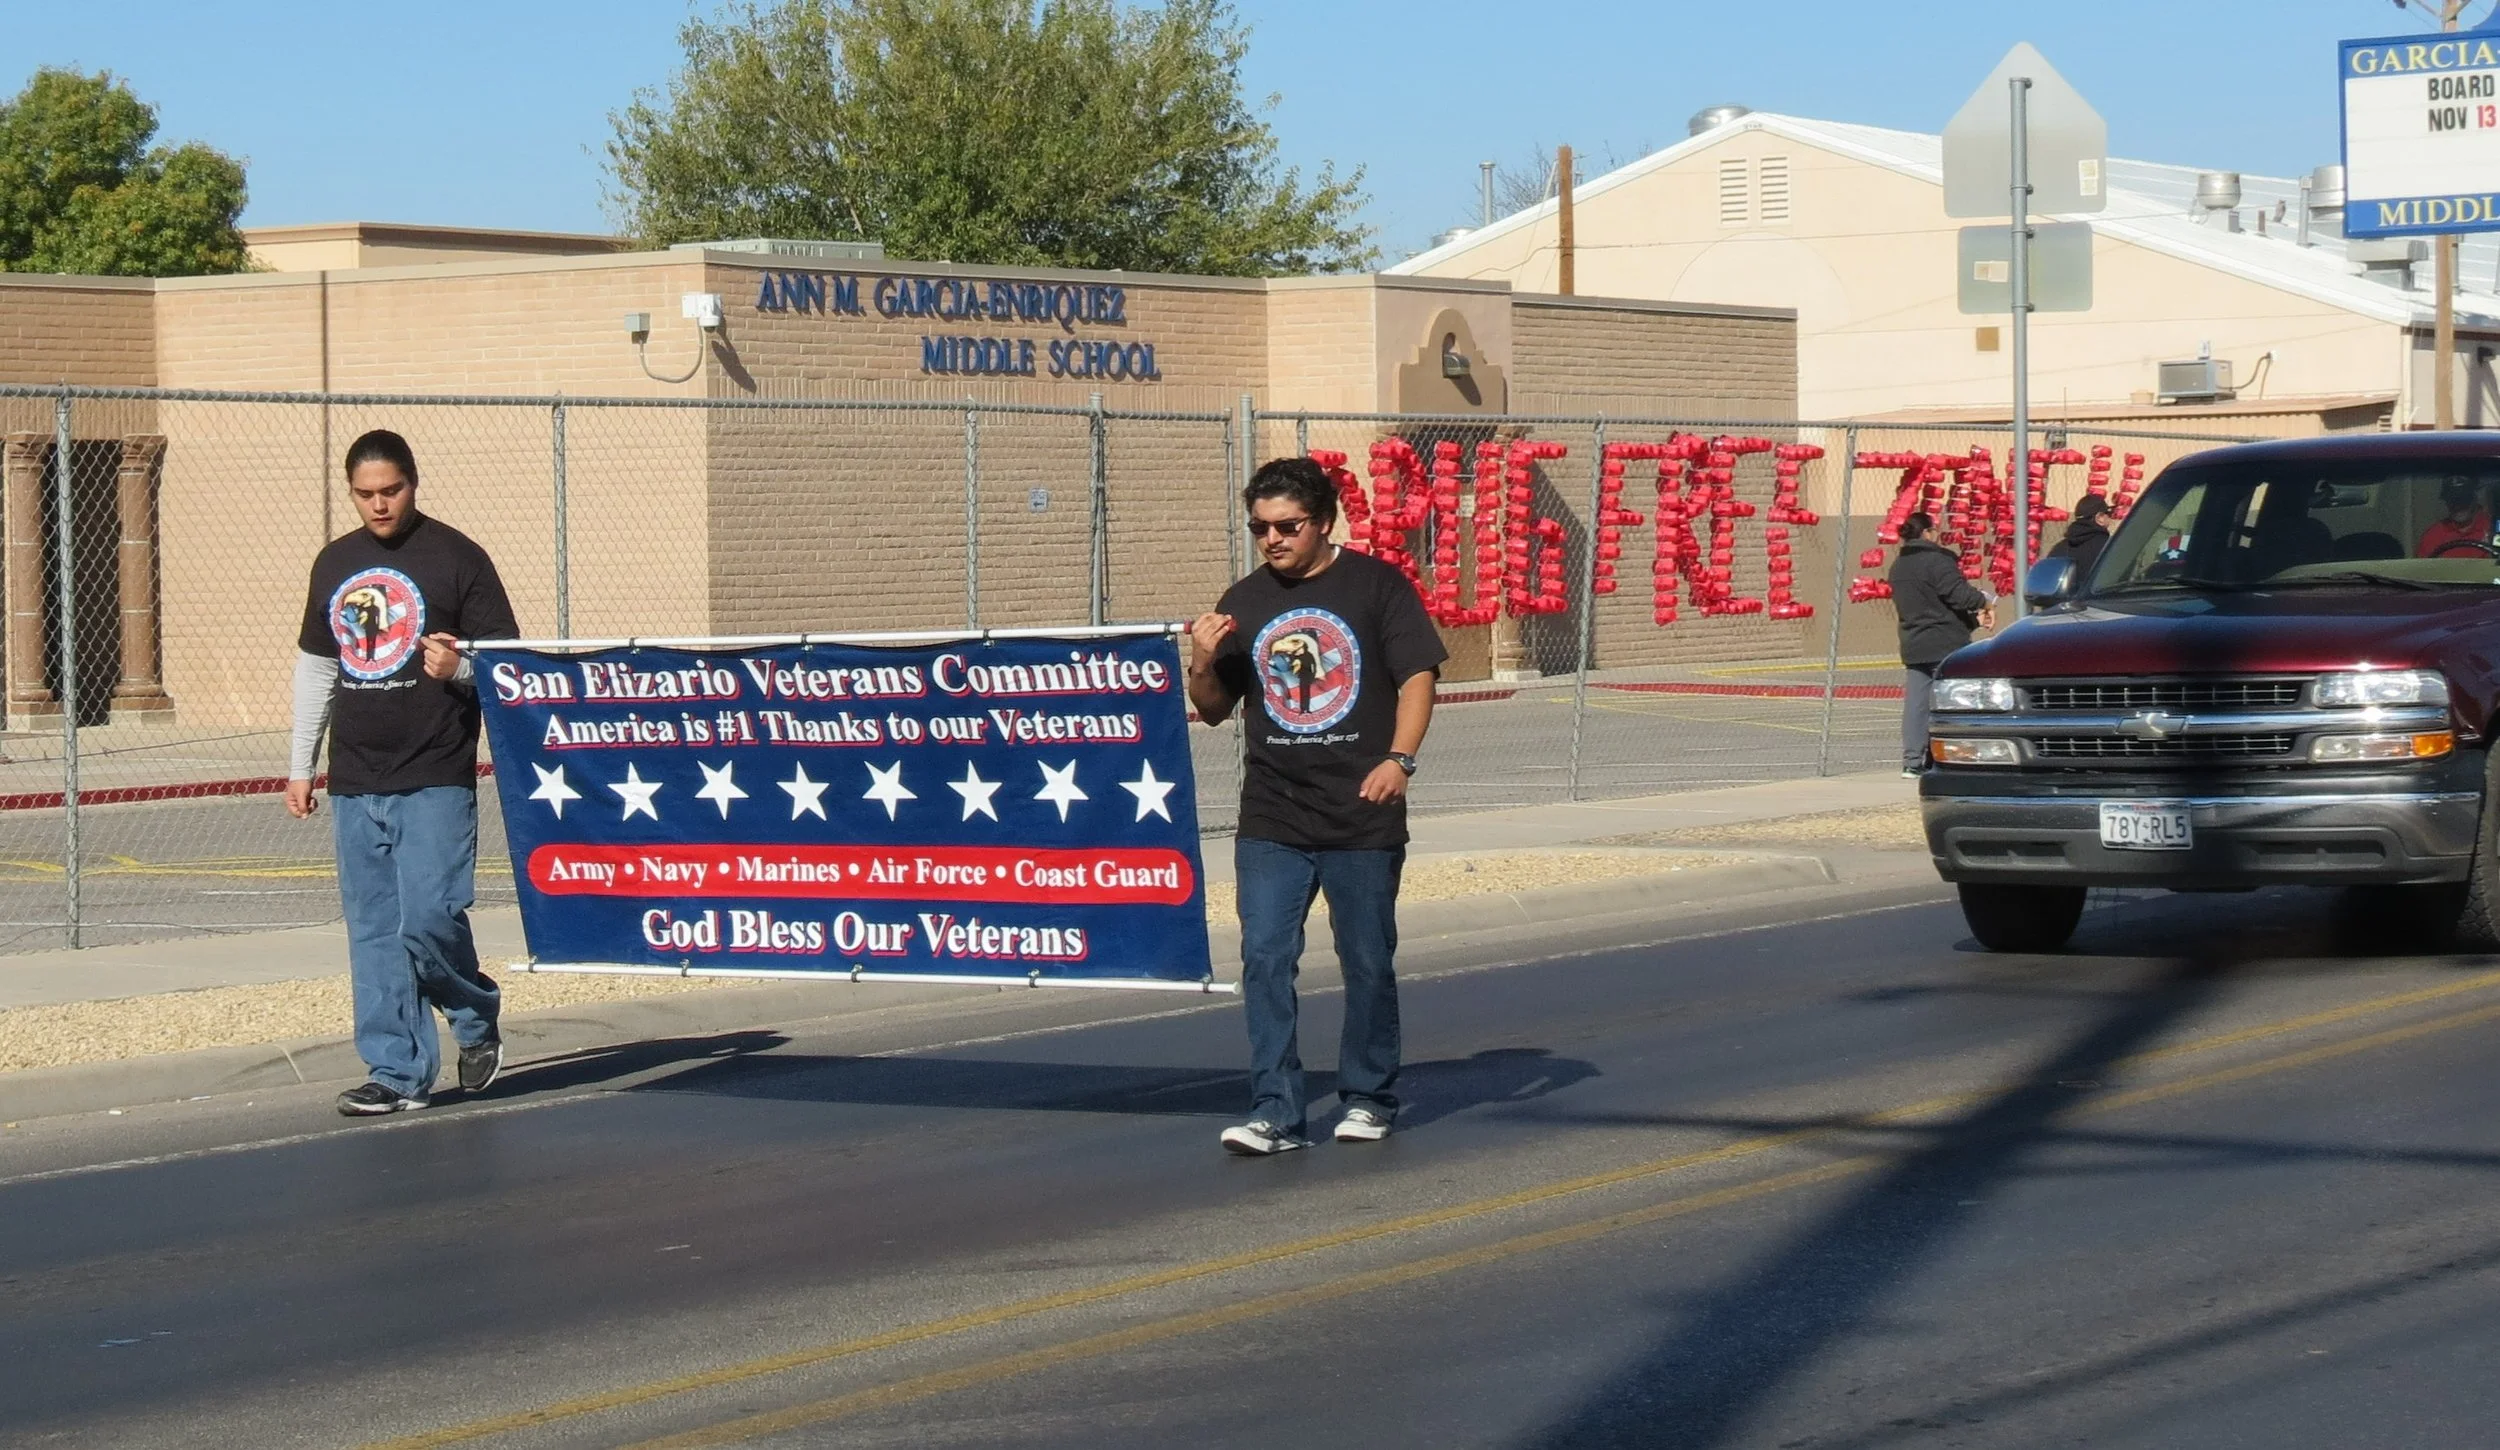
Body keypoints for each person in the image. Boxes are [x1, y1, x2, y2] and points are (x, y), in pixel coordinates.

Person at [1188, 457, 1445, 1156]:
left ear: (1322, 522)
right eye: (1260, 528)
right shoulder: (1245, 599)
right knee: (1266, 958)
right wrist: (1203, 662)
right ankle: (1275, 1110)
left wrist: (1400, 759)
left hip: (1361, 811)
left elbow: (1417, 676)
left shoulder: (1376, 586)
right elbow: (1212, 712)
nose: (1272, 539)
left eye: (1286, 526)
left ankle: (1367, 1098)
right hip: (1273, 814)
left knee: (1365, 960)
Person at [288, 429, 519, 1116]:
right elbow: (318, 667)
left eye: (391, 491)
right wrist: (300, 765)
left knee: (429, 918)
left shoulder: (458, 558)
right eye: (365, 494)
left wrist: (462, 668)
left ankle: (475, 1017)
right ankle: (396, 1070)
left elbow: (511, 665)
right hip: (356, 777)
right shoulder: (335, 564)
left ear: (413, 483)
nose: (379, 505)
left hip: (436, 772)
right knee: (374, 932)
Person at [1889, 512, 1993, 779]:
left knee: (1917, 705)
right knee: (1956, 700)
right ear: (1927, 533)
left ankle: (1912, 760)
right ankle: (1957, 756)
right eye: (1934, 530)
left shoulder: (1898, 566)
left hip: (1913, 641)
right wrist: (1984, 601)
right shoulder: (1937, 561)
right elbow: (1959, 595)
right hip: (1945, 641)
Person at [2418, 476, 2491, 558]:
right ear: (2446, 501)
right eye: (2452, 499)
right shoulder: (2432, 536)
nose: (2458, 505)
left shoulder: (2493, 529)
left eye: (2464, 498)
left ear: (2476, 497)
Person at [2049, 493, 2114, 583]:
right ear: (2099, 518)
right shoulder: (2110, 547)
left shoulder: (2058, 549)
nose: (2110, 517)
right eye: (2108, 513)